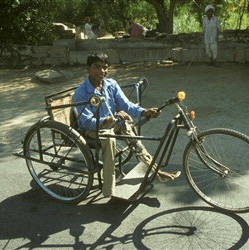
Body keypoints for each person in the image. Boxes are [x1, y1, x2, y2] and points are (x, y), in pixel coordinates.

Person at [73, 52, 181, 197]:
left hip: (112, 123)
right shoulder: (81, 92)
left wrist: (145, 112)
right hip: (93, 129)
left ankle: (155, 170)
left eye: (105, 67)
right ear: (88, 68)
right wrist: (111, 119)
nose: (101, 71)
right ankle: (108, 190)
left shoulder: (111, 84)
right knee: (110, 138)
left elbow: (126, 105)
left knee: (129, 130)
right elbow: (86, 122)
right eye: (96, 67)